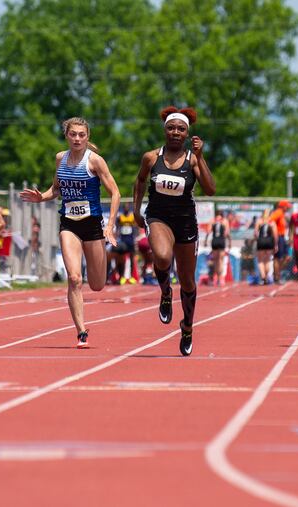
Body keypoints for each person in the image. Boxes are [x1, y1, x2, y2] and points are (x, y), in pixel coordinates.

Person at [20, 117, 120, 348]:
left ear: (87, 137)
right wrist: (41, 197)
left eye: (81, 135)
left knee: (96, 284)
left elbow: (115, 192)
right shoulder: (60, 159)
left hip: (93, 224)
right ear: (67, 136)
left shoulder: (95, 161)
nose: (77, 138)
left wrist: (109, 226)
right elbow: (56, 189)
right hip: (69, 224)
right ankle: (81, 330)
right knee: (74, 278)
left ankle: (93, 283)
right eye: (73, 134)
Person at [133, 106, 216, 356]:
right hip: (158, 216)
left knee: (188, 281)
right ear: (164, 130)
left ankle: (187, 326)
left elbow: (210, 189)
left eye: (181, 129)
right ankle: (166, 291)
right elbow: (139, 181)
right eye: (171, 128)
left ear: (187, 132)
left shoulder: (192, 159)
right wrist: (136, 209)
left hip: (186, 222)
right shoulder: (151, 158)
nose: (176, 132)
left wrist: (201, 157)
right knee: (161, 257)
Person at [204, 210, 231, 285]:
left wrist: (205, 242)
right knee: (221, 261)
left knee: (215, 261)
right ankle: (220, 278)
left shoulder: (212, 220)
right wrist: (230, 243)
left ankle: (215, 278)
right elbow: (227, 233)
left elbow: (208, 232)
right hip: (221, 241)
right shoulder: (225, 221)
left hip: (214, 241)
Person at [268, 200, 291, 283]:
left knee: (287, 257)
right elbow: (270, 220)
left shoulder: (282, 214)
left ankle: (277, 274)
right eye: (286, 206)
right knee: (278, 258)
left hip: (282, 237)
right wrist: (274, 232)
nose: (287, 208)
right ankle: (276, 276)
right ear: (282, 206)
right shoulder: (279, 212)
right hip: (278, 237)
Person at [254, 209, 277, 285]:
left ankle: (263, 276)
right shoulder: (271, 222)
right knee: (267, 260)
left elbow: (256, 233)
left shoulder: (259, 221)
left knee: (260, 260)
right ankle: (266, 276)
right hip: (269, 241)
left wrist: (257, 240)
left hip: (261, 241)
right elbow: (275, 234)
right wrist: (276, 244)